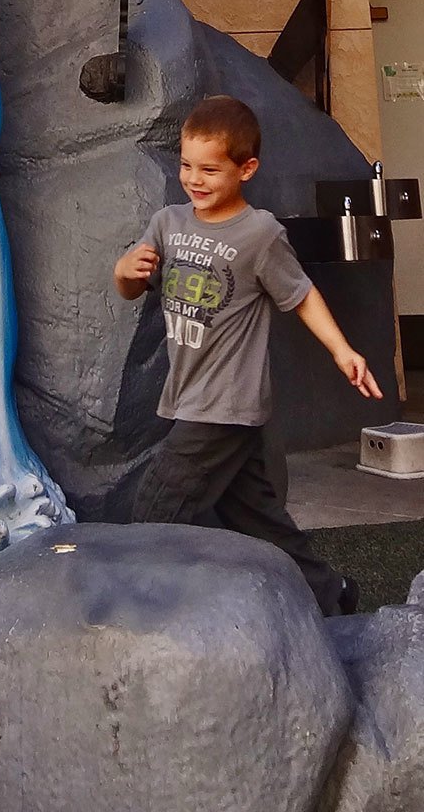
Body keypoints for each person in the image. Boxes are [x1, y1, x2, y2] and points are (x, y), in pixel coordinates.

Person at [114, 94, 382, 617]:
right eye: (187, 165)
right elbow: (131, 288)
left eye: (210, 169)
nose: (194, 178)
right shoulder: (168, 223)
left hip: (224, 403)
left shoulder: (260, 235)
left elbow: (301, 294)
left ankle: (144, 613)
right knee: (257, 518)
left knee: (156, 506)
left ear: (247, 168)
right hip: (188, 394)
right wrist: (125, 271)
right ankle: (334, 595)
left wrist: (343, 351)